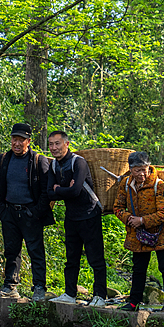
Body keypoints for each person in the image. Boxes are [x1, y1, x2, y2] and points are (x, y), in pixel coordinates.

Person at [0, 123, 54, 300]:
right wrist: (2, 210)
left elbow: (46, 190)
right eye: (14, 139)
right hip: (9, 212)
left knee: (36, 250)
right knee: (11, 251)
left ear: (29, 141)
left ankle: (39, 287)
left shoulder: (38, 160)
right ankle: (10, 286)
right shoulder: (3, 159)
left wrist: (35, 212)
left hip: (30, 214)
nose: (17, 143)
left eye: (21, 140)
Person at [47, 130, 108, 307]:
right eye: (51, 144)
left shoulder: (78, 162)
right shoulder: (53, 166)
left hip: (89, 214)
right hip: (71, 216)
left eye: (57, 143)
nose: (54, 148)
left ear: (66, 144)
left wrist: (59, 189)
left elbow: (76, 191)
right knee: (71, 258)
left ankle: (100, 295)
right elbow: (49, 193)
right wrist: (61, 190)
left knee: (95, 257)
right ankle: (69, 293)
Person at [113, 151, 164, 311]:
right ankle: (134, 301)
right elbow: (118, 207)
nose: (142, 174)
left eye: (144, 169)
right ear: (131, 169)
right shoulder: (126, 184)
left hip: (162, 234)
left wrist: (142, 220)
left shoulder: (159, 185)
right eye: (137, 170)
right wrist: (129, 218)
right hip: (137, 235)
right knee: (138, 269)